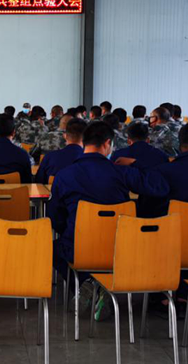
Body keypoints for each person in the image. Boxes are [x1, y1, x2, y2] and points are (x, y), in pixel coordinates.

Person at [48, 121, 169, 284]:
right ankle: (98, 287)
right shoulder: (122, 172)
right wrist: (135, 163)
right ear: (107, 143)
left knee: (51, 249)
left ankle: (85, 285)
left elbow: (55, 217)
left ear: (84, 142)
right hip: (120, 248)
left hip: (79, 248)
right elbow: (160, 187)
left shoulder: (64, 175)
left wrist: (72, 230)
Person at [35, 118, 85, 184]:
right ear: (86, 138)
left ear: (65, 136)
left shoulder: (49, 157)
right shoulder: (91, 161)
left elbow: (39, 183)